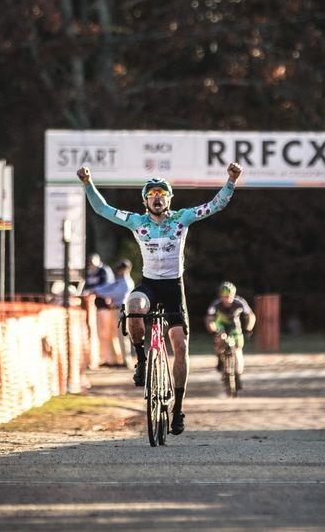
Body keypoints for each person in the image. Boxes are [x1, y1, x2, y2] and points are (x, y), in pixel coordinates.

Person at [77, 162, 243, 436]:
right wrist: (87, 183)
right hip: (150, 285)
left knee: (179, 345)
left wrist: (231, 181)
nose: (157, 197)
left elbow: (214, 206)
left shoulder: (182, 218)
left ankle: (177, 409)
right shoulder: (136, 222)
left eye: (162, 194)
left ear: (169, 199)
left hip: (174, 288)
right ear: (145, 201)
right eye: (151, 194)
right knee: (133, 307)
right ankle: (142, 361)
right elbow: (102, 210)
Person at [205, 281, 256, 390]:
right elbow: (209, 319)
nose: (227, 299)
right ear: (220, 296)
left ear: (233, 295)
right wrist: (213, 330)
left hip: (234, 328)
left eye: (229, 296)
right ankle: (219, 357)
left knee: (238, 350)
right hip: (221, 326)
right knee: (220, 338)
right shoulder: (216, 304)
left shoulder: (240, 302)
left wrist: (248, 329)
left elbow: (250, 316)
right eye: (224, 297)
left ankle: (238, 374)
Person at [88, 259, 135, 366]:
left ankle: (126, 360)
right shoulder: (119, 281)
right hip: (115, 310)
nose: (118, 271)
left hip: (121, 309)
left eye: (120, 269)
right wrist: (95, 289)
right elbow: (108, 287)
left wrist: (98, 292)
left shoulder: (126, 282)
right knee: (114, 335)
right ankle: (116, 359)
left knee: (122, 335)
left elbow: (114, 293)